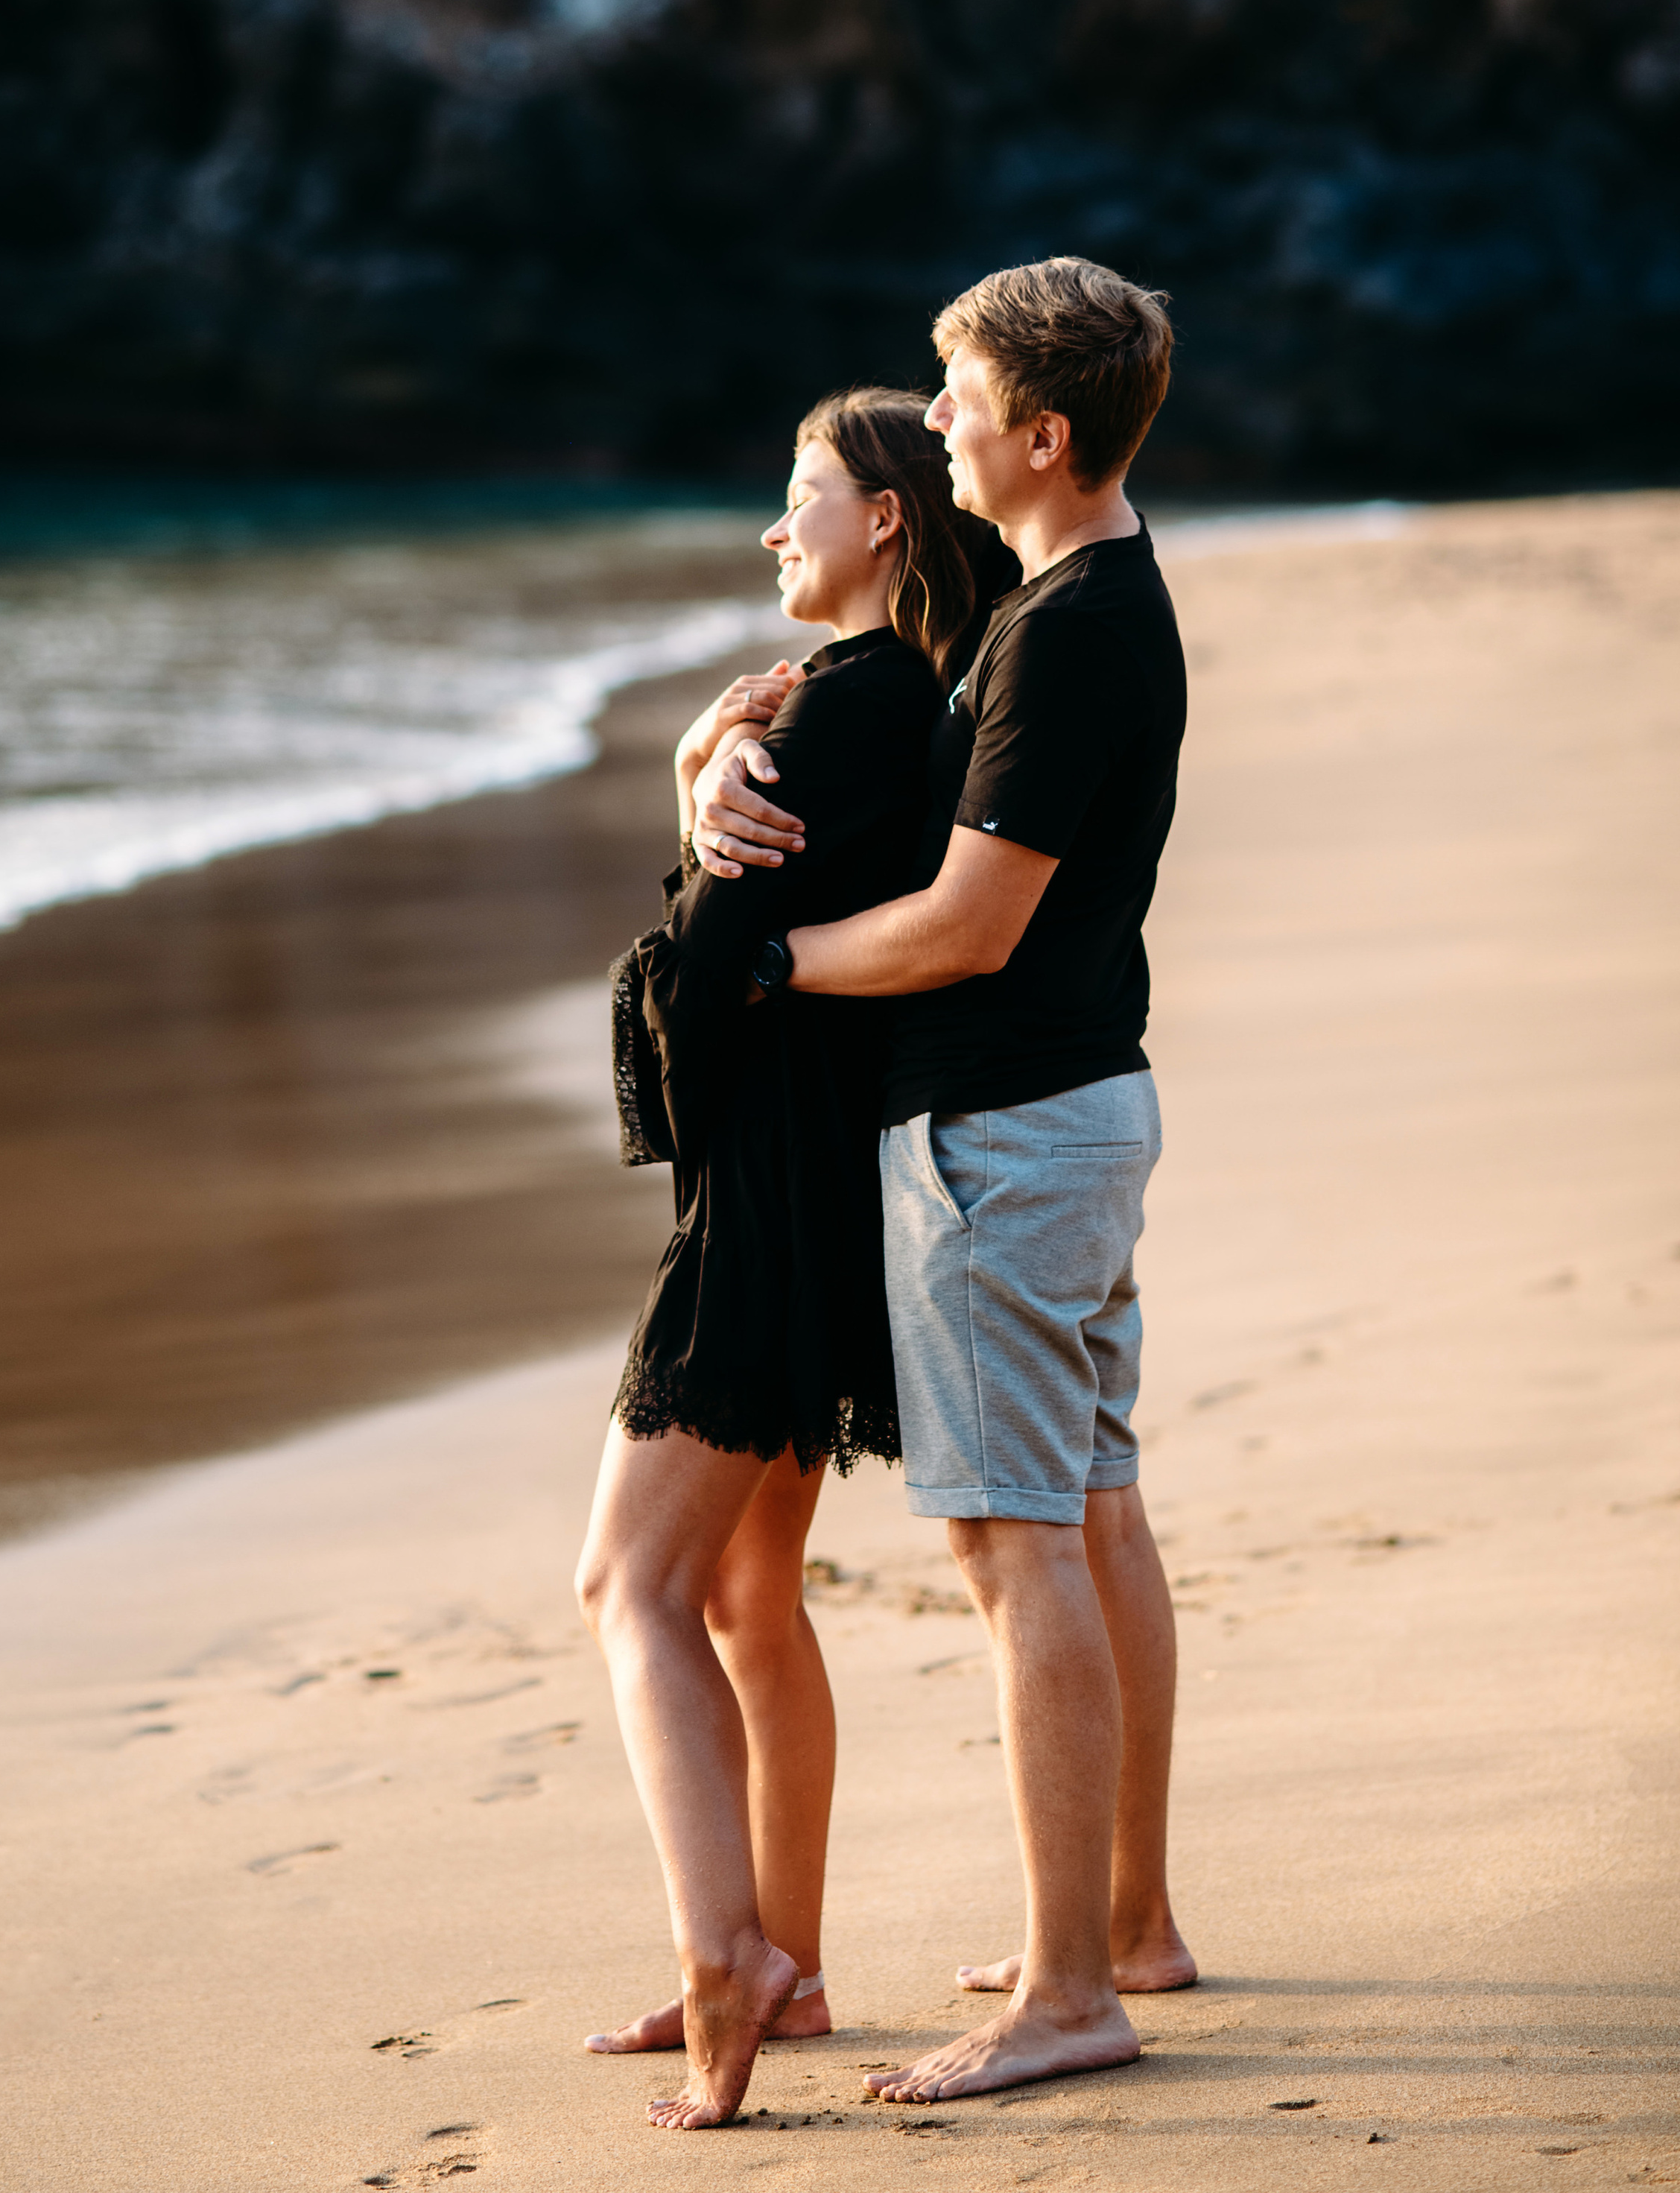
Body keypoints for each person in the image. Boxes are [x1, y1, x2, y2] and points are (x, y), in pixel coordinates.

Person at [690, 257, 1194, 2107]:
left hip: (1001, 1125)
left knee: (1016, 1542)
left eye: (963, 399)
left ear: (1043, 435)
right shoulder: (1079, 601)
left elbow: (968, 927)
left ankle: (1071, 1988)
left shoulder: (1065, 634)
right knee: (1096, 1510)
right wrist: (709, 760)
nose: (945, 423)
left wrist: (757, 962)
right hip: (1076, 1109)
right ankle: (1126, 1926)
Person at [575, 387, 984, 2131]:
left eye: (800, 493)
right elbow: (745, 953)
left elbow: (694, 996)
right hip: (832, 1194)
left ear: (884, 518)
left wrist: (691, 806)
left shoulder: (832, 710)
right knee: (742, 1593)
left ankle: (720, 1955)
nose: (772, 525)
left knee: (629, 1589)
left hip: (758, 1214)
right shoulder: (904, 702)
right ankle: (790, 1964)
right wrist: (692, 784)